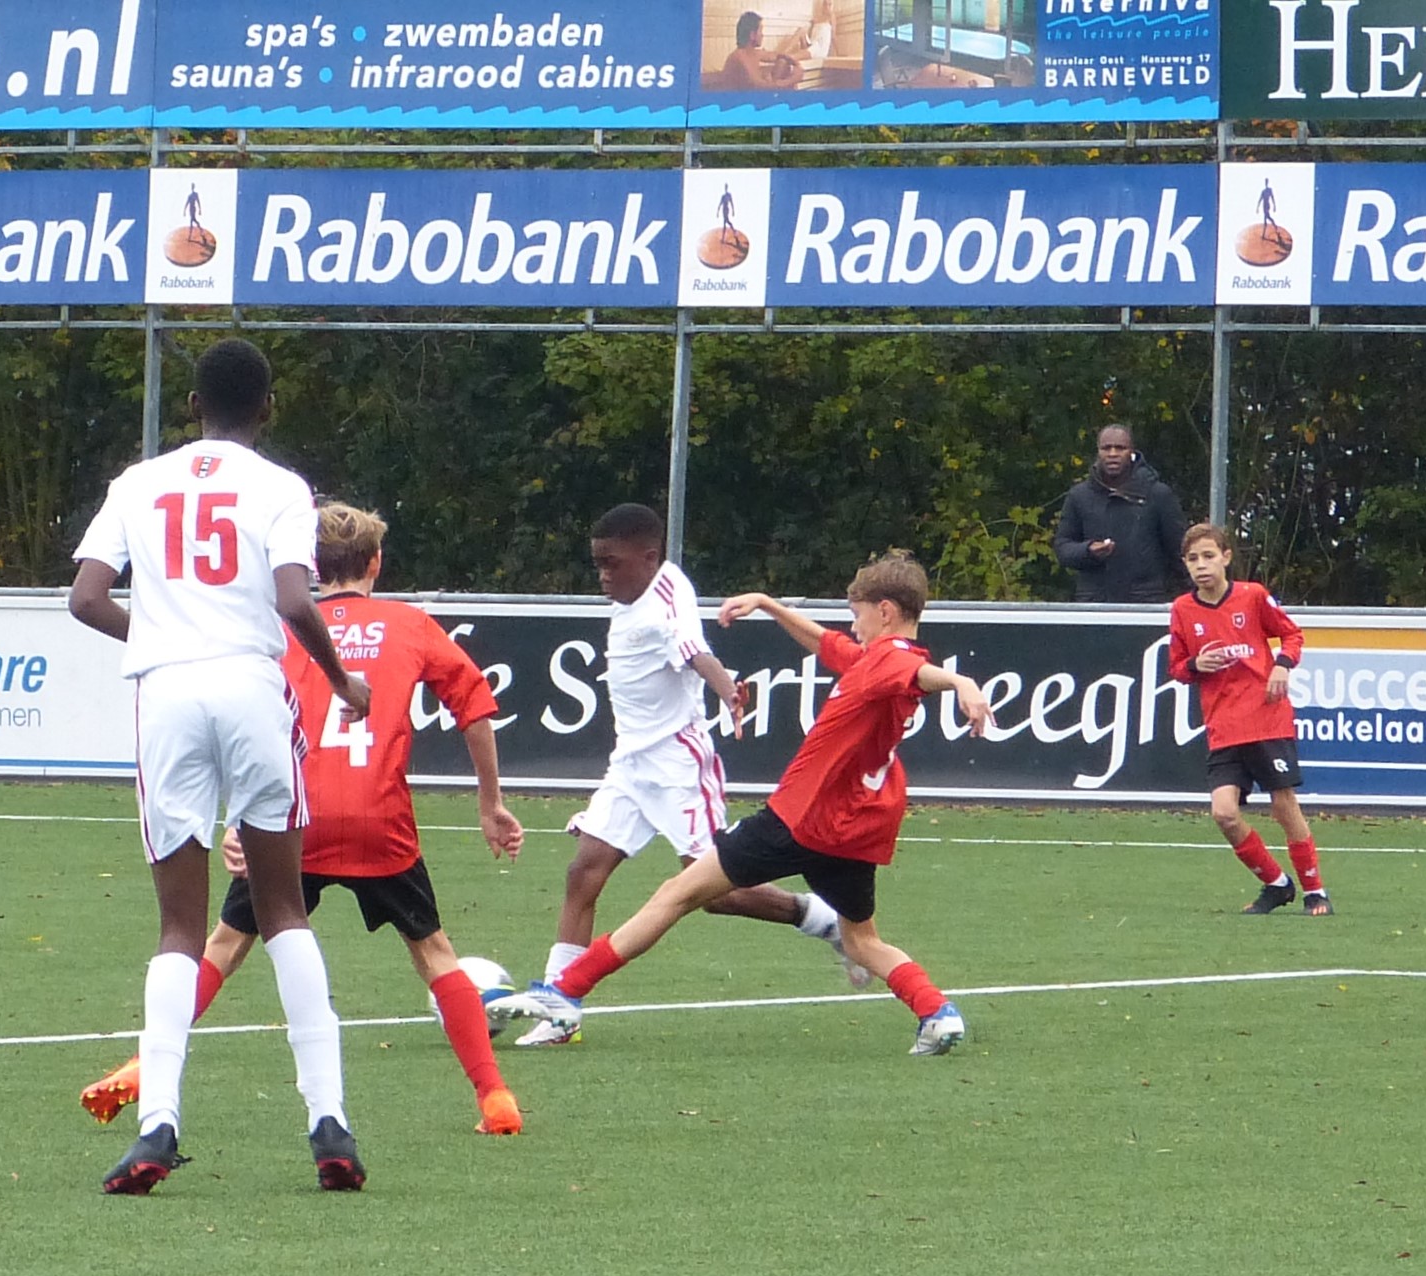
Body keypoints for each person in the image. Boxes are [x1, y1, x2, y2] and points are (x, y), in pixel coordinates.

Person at [77, 502, 529, 1135]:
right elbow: (473, 704)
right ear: (376, 563)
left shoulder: (279, 629)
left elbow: (251, 724)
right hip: (380, 820)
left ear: (311, 567)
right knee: (433, 951)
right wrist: (491, 802)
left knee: (225, 945)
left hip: (296, 817)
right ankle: (495, 1097)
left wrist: (240, 819)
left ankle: (141, 1069)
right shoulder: (412, 625)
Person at [66, 338, 373, 1194]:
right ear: (266, 409)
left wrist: (163, 639)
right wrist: (342, 679)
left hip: (165, 697)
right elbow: (291, 601)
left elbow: (85, 599)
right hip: (249, 686)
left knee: (178, 927)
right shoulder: (280, 488)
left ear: (192, 406)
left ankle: (156, 1125)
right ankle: (329, 1124)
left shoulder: (137, 483)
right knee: (282, 910)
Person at [495, 551, 993, 1056]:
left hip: (798, 820)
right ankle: (937, 1012)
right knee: (862, 941)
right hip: (855, 832)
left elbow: (920, 672)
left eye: (858, 613)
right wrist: (770, 605)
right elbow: (827, 642)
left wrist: (962, 684)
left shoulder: (890, 660)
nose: (853, 625)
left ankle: (565, 991)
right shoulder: (872, 660)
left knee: (678, 894)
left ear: (884, 611)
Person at [523, 504, 847, 1048]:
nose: (603, 576)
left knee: (714, 892)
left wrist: (727, 689)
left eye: (612, 564)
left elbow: (695, 651)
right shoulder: (647, 584)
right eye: (597, 564)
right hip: (630, 763)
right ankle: (560, 1006)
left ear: (649, 559)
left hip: (678, 763)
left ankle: (821, 917)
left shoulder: (667, 600)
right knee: (584, 872)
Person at [1166, 524, 1331, 916]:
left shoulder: (1252, 596)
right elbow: (1177, 668)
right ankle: (1276, 884)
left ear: (1226, 557)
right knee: (1224, 812)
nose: (1201, 566)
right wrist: (1195, 663)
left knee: (1283, 805)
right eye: (1193, 559)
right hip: (1223, 726)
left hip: (1266, 718)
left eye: (1208, 556)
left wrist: (1281, 666)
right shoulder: (1182, 610)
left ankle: (1315, 891)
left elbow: (1292, 636)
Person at [1055, 424, 1191, 604]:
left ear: (1132, 452)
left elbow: (1180, 551)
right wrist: (1088, 551)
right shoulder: (1079, 496)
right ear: (1098, 452)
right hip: (1094, 606)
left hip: (1146, 603)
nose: (1112, 454)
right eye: (1106, 448)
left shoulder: (1158, 494)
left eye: (1120, 448)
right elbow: (1063, 548)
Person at [711, 11, 802, 89]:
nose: (762, 35)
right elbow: (762, 90)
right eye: (761, 31)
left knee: (783, 62)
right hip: (740, 105)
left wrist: (794, 61)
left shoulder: (753, 53)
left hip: (753, 99)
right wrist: (793, 79)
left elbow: (776, 55)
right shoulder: (739, 59)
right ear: (752, 35)